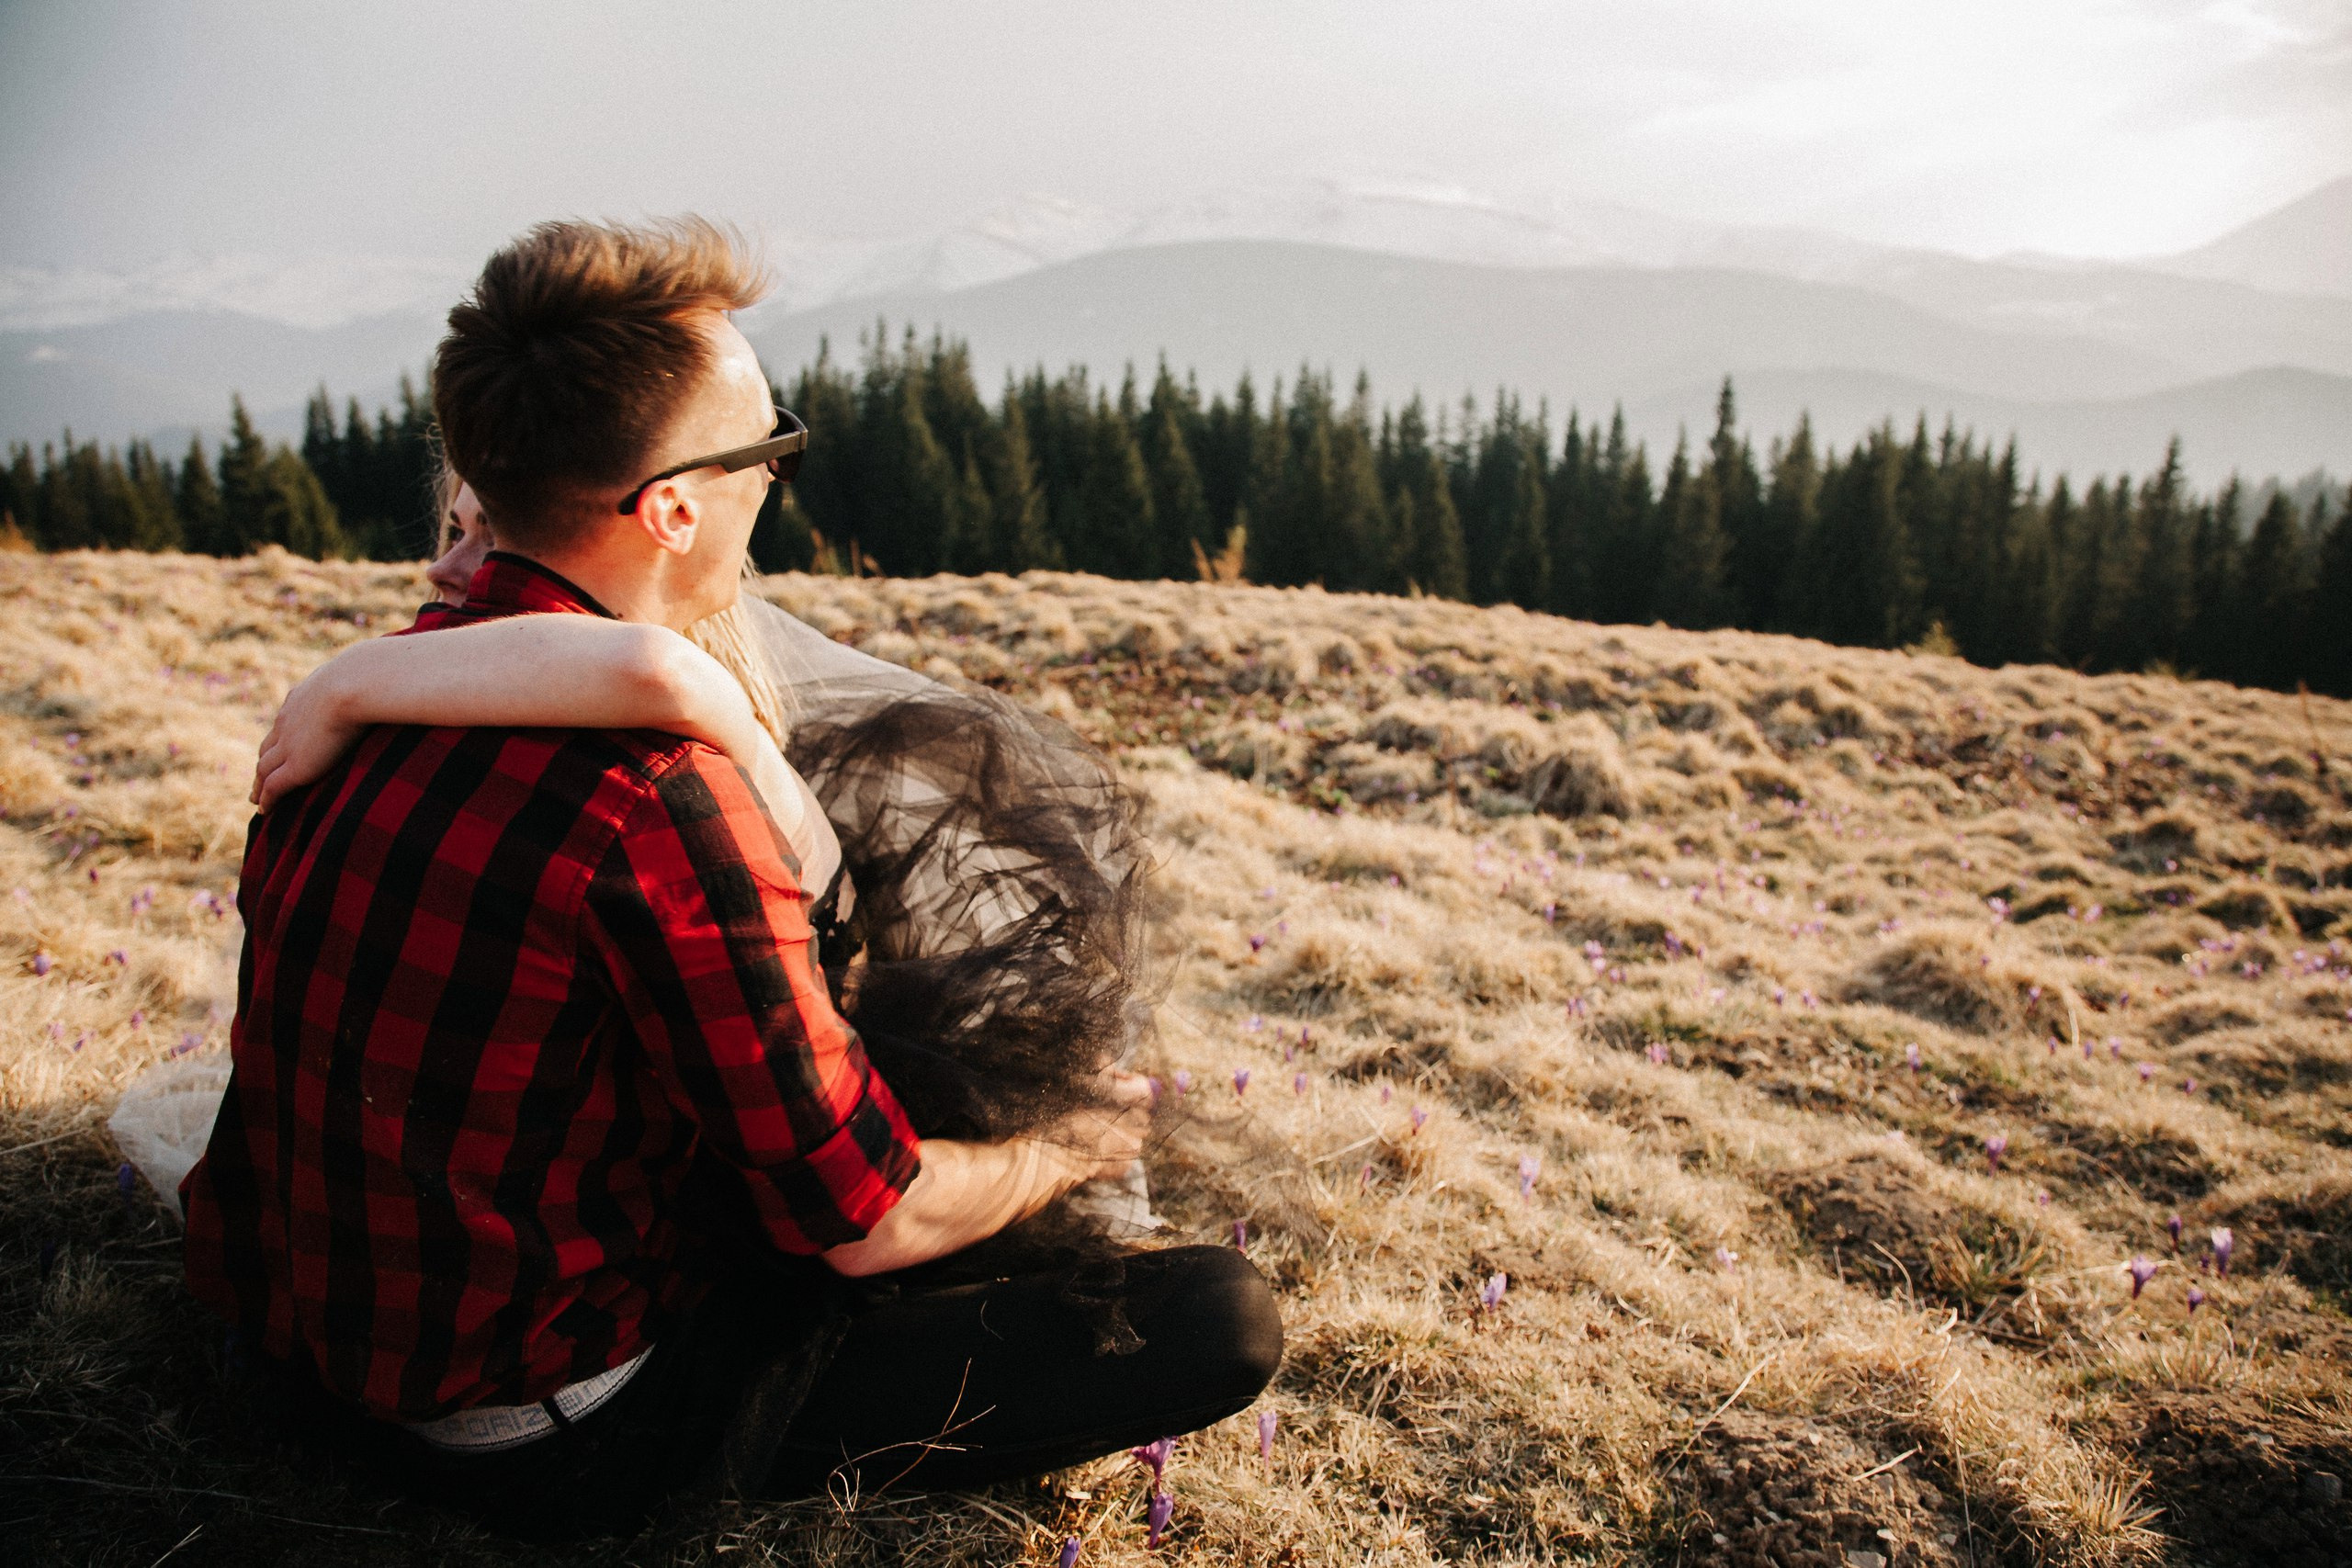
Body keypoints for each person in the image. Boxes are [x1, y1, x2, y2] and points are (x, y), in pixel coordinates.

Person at [181, 217, 1280, 1541]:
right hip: (543, 1434)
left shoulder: (353, 715)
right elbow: (862, 1224)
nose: (779, 479)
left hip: (307, 1354)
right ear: (675, 506)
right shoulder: (657, 804)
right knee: (1216, 1320)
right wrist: (1069, 1146)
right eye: (771, 451)